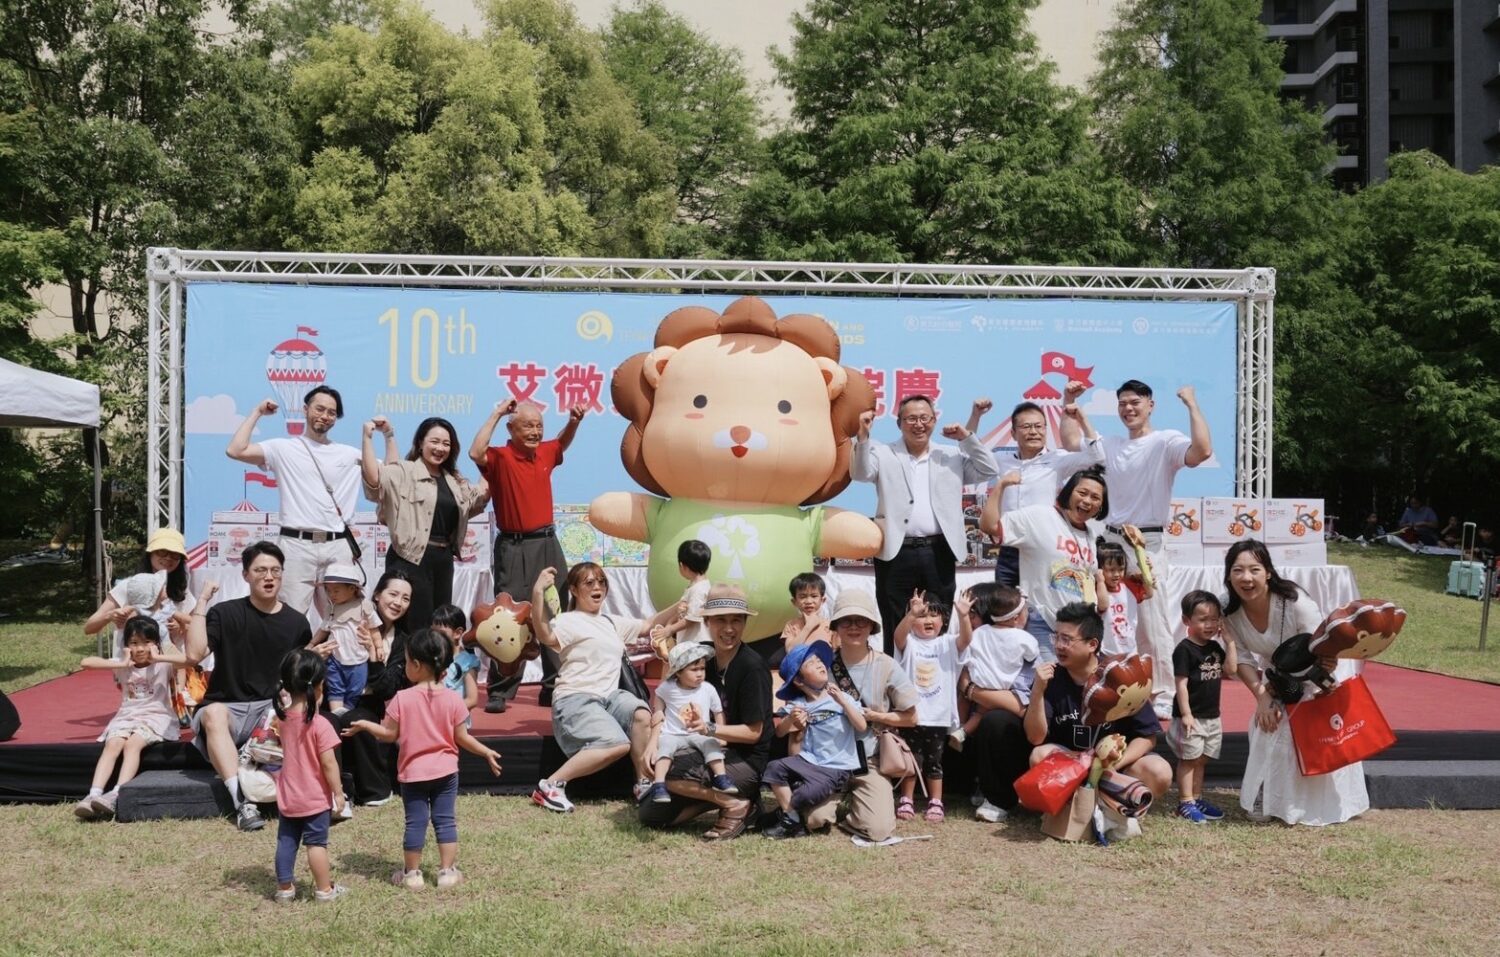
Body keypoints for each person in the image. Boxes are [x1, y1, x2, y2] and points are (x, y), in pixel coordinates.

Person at [1061, 379, 1212, 718]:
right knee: (1103, 613)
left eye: (1135, 402)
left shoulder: (1165, 441)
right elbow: (1071, 442)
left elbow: (1201, 451)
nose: (1128, 409)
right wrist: (1068, 399)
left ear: (1150, 405)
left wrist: (1191, 403)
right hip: (1111, 542)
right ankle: (1104, 683)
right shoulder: (1111, 445)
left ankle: (1162, 692)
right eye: (1123, 404)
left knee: (1151, 621)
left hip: (1147, 544)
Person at [1221, 540, 1369, 825]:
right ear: (1229, 575)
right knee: (1267, 724)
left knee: (1309, 733)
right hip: (1276, 679)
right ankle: (1267, 798)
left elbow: (1322, 645)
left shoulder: (1295, 601)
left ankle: (1313, 804)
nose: (1246, 578)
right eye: (1237, 570)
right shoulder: (1228, 610)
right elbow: (1242, 659)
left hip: (1317, 674)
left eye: (1254, 569)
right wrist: (1262, 697)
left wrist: (1323, 675)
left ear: (1268, 572)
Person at [345, 629, 502, 889]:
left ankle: (412, 875)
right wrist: (485, 751)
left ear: (416, 665)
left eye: (406, 661)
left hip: (413, 774)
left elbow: (388, 734)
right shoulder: (453, 699)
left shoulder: (401, 699)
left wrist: (364, 725)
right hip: (446, 773)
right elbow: (462, 737)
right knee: (445, 820)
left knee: (415, 822)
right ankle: (447, 872)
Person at [186, 541, 319, 831]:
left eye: (275, 570)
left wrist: (314, 658)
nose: (268, 577)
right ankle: (242, 803)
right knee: (213, 714)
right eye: (260, 570)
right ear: (246, 575)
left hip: (269, 712)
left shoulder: (297, 623)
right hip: (227, 708)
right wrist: (202, 602)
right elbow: (194, 654)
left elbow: (300, 681)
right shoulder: (225, 613)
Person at [528, 563, 681, 813]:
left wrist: (682, 602)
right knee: (616, 744)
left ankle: (643, 783)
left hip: (609, 698)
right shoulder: (568, 621)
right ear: (574, 590)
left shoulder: (610, 622)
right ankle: (550, 785)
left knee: (642, 714)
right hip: (575, 698)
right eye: (589, 583)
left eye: (601, 581)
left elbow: (648, 624)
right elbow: (544, 634)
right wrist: (537, 592)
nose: (597, 587)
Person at [227, 389, 396, 616]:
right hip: (296, 545)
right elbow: (235, 450)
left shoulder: (348, 454)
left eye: (332, 413)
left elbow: (392, 475)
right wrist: (257, 412)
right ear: (306, 410)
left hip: (337, 546)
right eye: (320, 409)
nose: (325, 416)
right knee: (290, 618)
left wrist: (388, 435)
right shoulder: (282, 448)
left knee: (343, 618)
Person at [852, 395, 1000, 642]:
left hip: (938, 550)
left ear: (934, 420)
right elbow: (860, 473)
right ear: (899, 423)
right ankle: (895, 667)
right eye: (911, 419)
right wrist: (863, 437)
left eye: (924, 418)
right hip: (896, 551)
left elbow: (989, 469)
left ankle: (938, 666)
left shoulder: (950, 455)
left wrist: (966, 438)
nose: (918, 424)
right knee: (895, 619)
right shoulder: (884, 452)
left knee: (938, 619)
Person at [470, 398, 586, 713]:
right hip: (514, 547)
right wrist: (496, 412)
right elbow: (475, 452)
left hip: (547, 543)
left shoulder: (545, 452)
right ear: (511, 429)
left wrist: (574, 422)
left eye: (539, 426)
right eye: (528, 426)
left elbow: (560, 444)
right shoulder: (500, 457)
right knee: (508, 616)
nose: (535, 432)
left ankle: (552, 686)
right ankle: (500, 689)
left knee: (553, 613)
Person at [636, 586, 771, 841]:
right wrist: (653, 741)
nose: (728, 629)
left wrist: (709, 728)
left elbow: (754, 733)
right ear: (707, 622)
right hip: (700, 748)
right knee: (651, 814)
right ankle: (725, 798)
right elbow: (665, 696)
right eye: (720, 620)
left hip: (745, 759)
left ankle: (735, 804)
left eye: (736, 620)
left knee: (669, 771)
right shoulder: (700, 655)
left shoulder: (752, 667)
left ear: (745, 623)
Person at [1023, 602, 1171, 805]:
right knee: (1039, 756)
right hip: (1073, 765)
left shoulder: (1121, 673)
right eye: (1056, 637)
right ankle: (1074, 809)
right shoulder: (1049, 678)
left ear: (1092, 644)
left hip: (1116, 766)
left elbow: (1147, 737)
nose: (1058, 645)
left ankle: (1118, 808)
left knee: (1159, 771)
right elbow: (1035, 737)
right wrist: (1037, 691)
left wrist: (1112, 764)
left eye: (1066, 639)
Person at [802, 589, 918, 842]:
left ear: (872, 626)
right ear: (835, 626)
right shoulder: (822, 667)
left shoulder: (886, 665)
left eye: (861, 621)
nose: (854, 627)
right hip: (829, 759)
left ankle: (857, 811)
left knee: (878, 830)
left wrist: (877, 716)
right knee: (814, 820)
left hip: (870, 760)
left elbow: (911, 718)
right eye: (846, 621)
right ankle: (836, 803)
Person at [363, 416, 489, 630]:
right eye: (435, 441)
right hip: (409, 558)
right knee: (411, 624)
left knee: (439, 625)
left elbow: (480, 497)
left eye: (446, 444)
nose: (440, 448)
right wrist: (367, 437)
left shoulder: (454, 480)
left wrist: (491, 462)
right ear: (421, 443)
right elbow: (374, 479)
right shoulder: (405, 471)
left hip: (443, 560)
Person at [980, 466, 1109, 663]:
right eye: (1082, 493)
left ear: (1100, 507)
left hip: (1078, 628)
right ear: (1068, 492)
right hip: (1044, 622)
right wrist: (1001, 486)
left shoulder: (1090, 536)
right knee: (1049, 679)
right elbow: (989, 526)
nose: (1087, 501)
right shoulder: (1039, 517)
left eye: (1095, 498)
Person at [73, 617, 191, 820]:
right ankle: (93, 794)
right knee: (113, 744)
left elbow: (188, 660)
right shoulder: (123, 665)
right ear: (126, 645)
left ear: (156, 643)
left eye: (147, 642)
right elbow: (86, 663)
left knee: (132, 744)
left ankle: (117, 793)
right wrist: (122, 662)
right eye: (134, 643)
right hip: (127, 716)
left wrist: (159, 657)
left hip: (157, 716)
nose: (140, 648)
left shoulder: (163, 665)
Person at [989, 394, 1105, 586]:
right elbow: (973, 455)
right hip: (1010, 548)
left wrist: (1082, 420)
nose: (1033, 432)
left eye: (1038, 426)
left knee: (1043, 602)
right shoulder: (1001, 459)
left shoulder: (1057, 459)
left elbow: (1097, 458)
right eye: (1026, 427)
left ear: (1045, 430)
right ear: (1013, 433)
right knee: (1004, 601)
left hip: (1044, 547)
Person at [762, 639, 868, 839]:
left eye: (819, 660)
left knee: (804, 795)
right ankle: (792, 819)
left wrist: (843, 702)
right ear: (799, 681)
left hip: (836, 767)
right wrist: (791, 720)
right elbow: (780, 732)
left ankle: (785, 814)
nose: (819, 664)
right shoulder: (798, 704)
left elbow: (861, 726)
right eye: (810, 663)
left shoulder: (841, 698)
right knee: (773, 768)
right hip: (808, 762)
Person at [270, 648, 348, 903]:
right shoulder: (320, 724)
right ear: (318, 686)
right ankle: (324, 889)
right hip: (314, 797)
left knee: (286, 841)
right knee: (316, 844)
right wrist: (338, 792)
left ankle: (284, 888)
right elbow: (329, 764)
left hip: (288, 795)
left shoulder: (281, 719)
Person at [332, 569, 414, 806]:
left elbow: (387, 688)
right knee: (327, 720)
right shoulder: (351, 618)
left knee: (355, 720)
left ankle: (375, 790)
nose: (398, 603)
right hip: (335, 695)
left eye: (405, 598)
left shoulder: (402, 641)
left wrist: (372, 654)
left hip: (369, 703)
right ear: (377, 595)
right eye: (393, 594)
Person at [891, 590, 971, 823]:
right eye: (921, 616)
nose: (927, 620)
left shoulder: (947, 643)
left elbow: (965, 640)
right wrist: (910, 614)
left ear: (943, 620)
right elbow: (898, 637)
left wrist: (963, 616)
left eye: (933, 615)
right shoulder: (909, 643)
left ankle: (936, 801)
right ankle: (907, 798)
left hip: (938, 716)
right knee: (911, 760)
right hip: (911, 715)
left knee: (934, 760)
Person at [951, 583, 1037, 768]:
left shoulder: (982, 635)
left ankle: (961, 730)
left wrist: (970, 689)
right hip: (988, 695)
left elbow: (1022, 707)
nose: (967, 622)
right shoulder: (1022, 640)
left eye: (972, 615)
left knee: (991, 717)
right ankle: (959, 731)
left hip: (1004, 728)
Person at [1170, 590, 1236, 824]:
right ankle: (1185, 802)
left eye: (1214, 619)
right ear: (1186, 620)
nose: (1209, 625)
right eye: (1203, 619)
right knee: (1189, 759)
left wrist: (1229, 642)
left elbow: (1231, 670)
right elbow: (1181, 684)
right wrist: (1186, 714)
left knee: (1201, 759)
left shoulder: (1214, 647)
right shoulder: (1184, 649)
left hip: (1211, 716)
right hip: (1191, 716)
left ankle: (1196, 798)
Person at [643, 642, 737, 804]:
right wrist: (658, 710)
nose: (700, 674)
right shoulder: (668, 688)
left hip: (700, 732)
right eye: (694, 670)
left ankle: (721, 777)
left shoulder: (708, 689)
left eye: (702, 669)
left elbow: (718, 711)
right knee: (664, 748)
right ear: (678, 672)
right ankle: (659, 784)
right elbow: (659, 696)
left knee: (711, 744)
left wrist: (720, 734)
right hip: (672, 733)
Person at [84, 528, 196, 645]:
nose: (168, 558)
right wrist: (109, 616)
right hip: (131, 656)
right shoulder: (128, 586)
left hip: (171, 655)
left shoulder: (181, 591)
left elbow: (196, 626)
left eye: (175, 555)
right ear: (150, 553)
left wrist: (182, 627)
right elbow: (89, 628)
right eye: (162, 552)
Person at [313, 563, 380, 713]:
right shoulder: (330, 608)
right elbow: (323, 629)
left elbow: (374, 629)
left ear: (352, 589)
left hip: (358, 659)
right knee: (335, 686)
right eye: (328, 590)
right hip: (335, 658)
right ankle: (336, 713)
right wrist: (312, 643)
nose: (331, 594)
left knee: (356, 688)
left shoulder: (363, 605)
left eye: (336, 590)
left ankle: (346, 712)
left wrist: (379, 647)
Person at [1095, 541, 1152, 657]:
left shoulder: (1128, 586)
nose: (1117, 574)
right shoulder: (1096, 589)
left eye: (1121, 569)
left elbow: (1149, 594)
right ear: (1100, 569)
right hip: (1106, 652)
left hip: (1130, 651)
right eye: (1111, 570)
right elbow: (1103, 605)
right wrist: (1100, 581)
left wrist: (1147, 571)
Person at [655, 539, 713, 648]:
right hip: (691, 644)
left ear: (682, 566)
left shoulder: (698, 590)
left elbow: (692, 618)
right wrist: (670, 621)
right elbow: (687, 611)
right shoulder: (697, 586)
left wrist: (670, 629)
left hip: (697, 646)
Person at [432, 605, 480, 718]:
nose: (435, 637)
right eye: (432, 632)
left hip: (455, 721)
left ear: (457, 633)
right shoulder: (431, 657)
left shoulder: (467, 662)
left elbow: (472, 699)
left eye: (441, 633)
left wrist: (446, 711)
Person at [780, 572, 832, 667]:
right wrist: (808, 627)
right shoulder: (791, 625)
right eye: (802, 597)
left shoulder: (831, 626)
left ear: (822, 600)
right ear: (794, 601)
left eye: (814, 596)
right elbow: (791, 652)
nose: (808, 601)